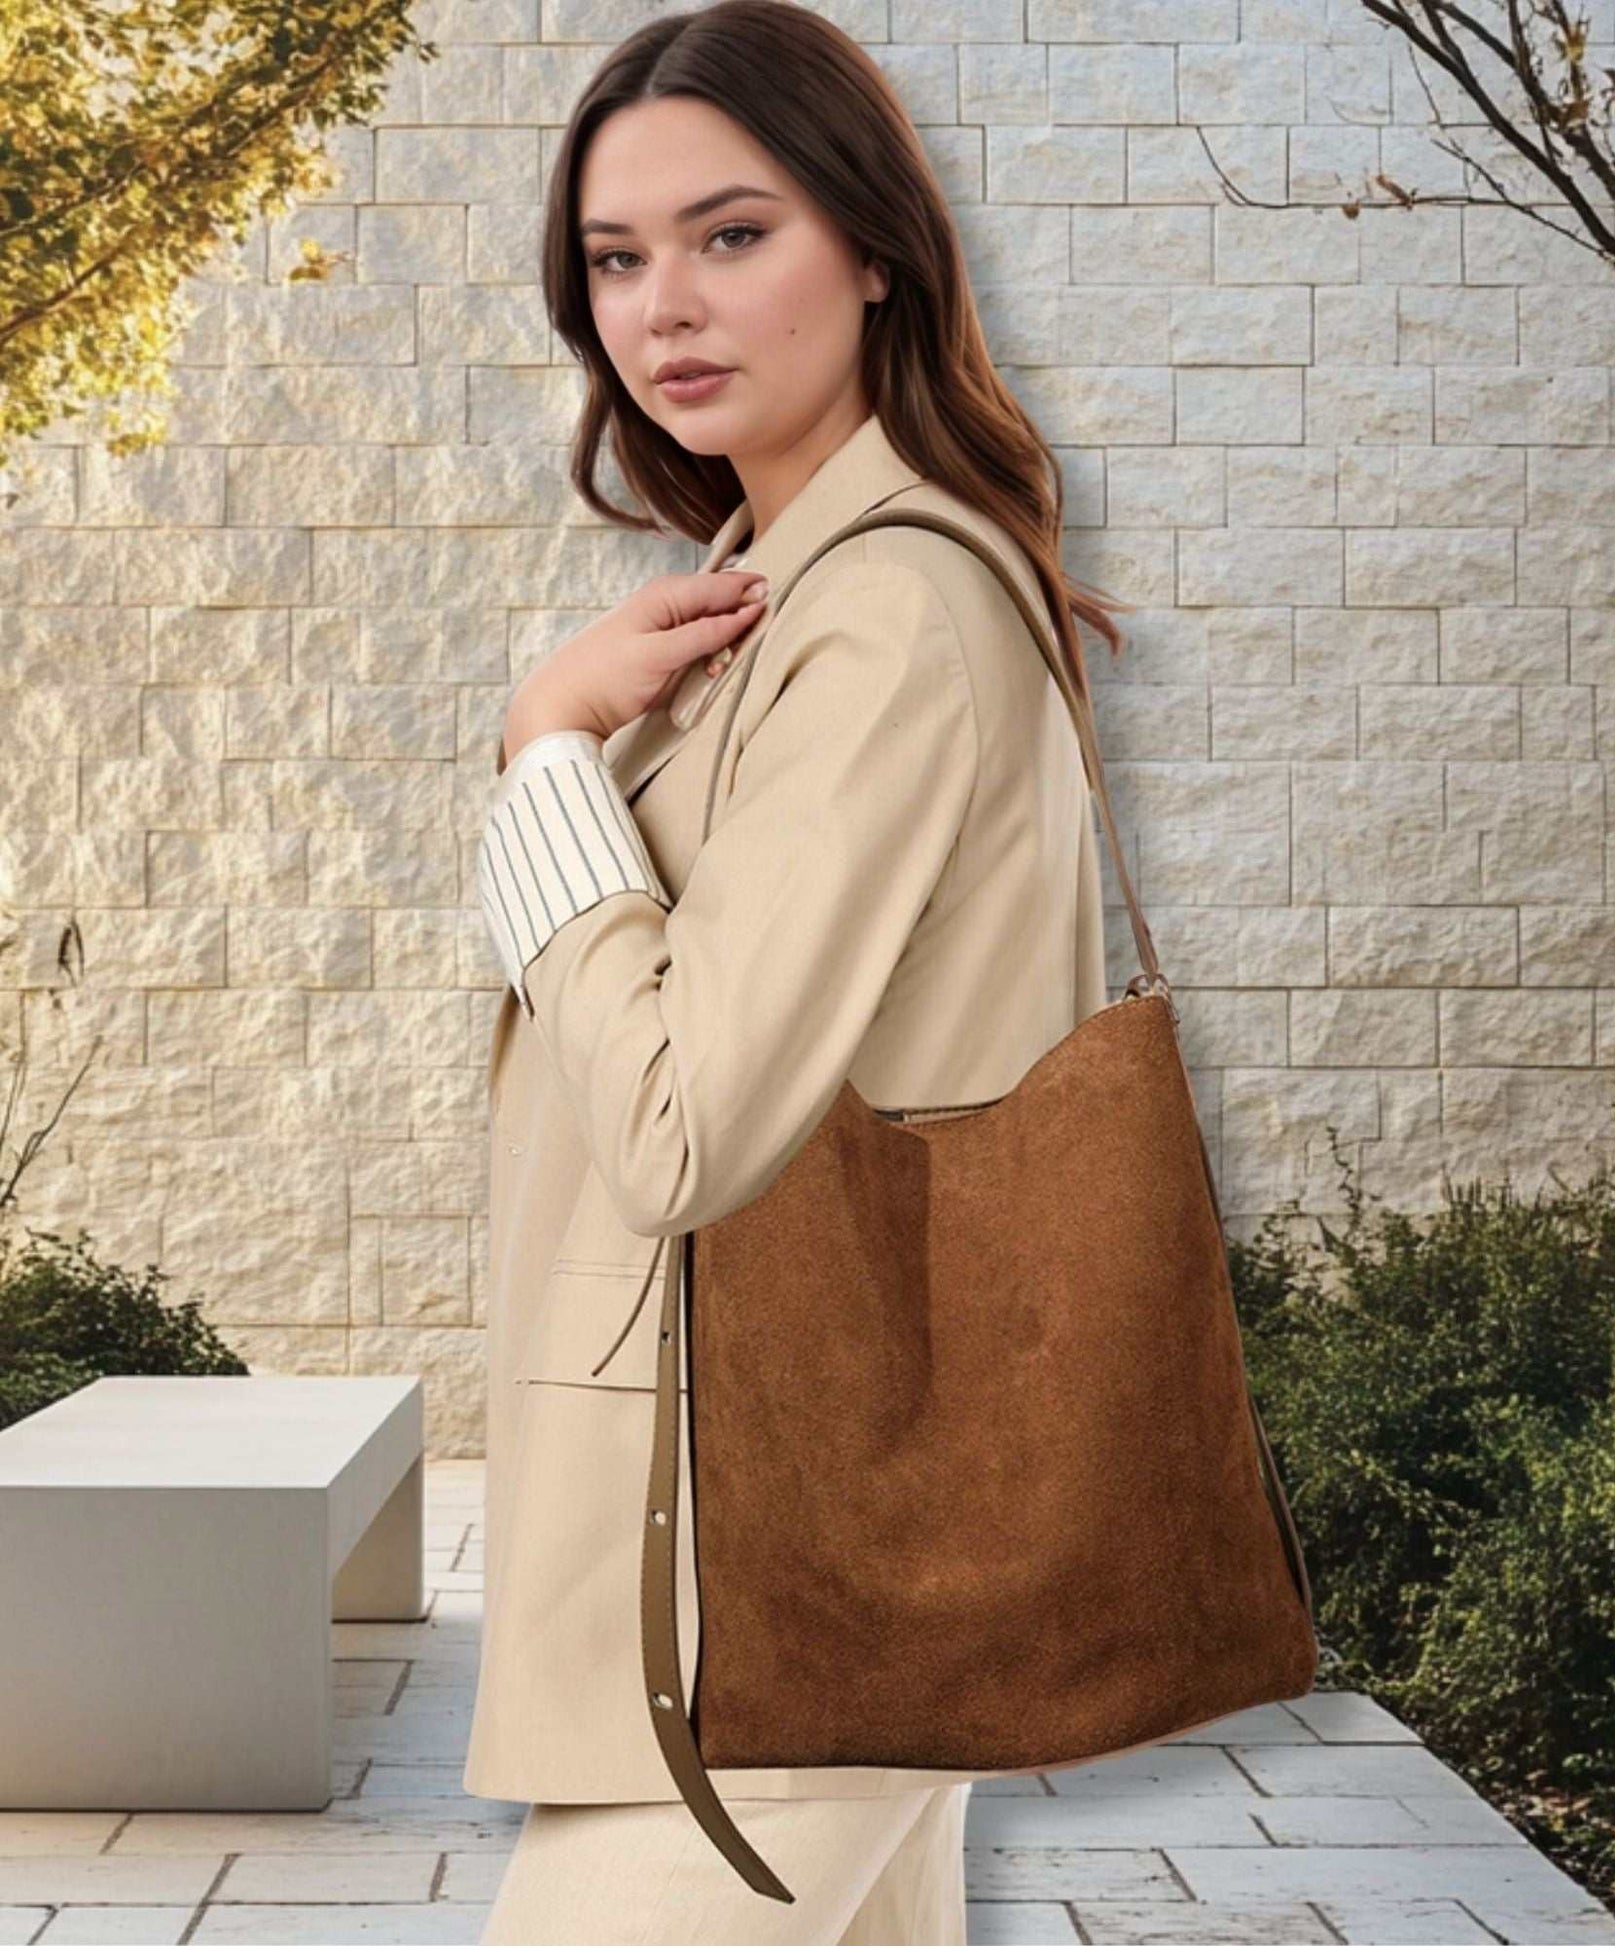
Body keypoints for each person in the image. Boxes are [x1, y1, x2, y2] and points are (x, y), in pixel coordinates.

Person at [463, 2, 1130, 1937]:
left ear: (876, 247)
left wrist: (545, 759)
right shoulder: (794, 602)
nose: (662, 302)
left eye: (730, 233)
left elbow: (684, 1129)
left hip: (777, 1568)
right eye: (615, 256)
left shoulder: (887, 612)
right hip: (811, 1540)